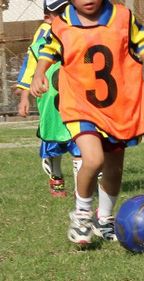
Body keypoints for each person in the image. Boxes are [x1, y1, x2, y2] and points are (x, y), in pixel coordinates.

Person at [30, 0, 144, 245]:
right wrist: (39, 72)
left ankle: (104, 219)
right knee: (94, 159)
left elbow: (142, 40)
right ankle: (82, 214)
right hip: (80, 105)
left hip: (118, 108)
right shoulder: (62, 22)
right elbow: (47, 50)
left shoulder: (122, 16)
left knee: (114, 168)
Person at [17, 0, 79, 197]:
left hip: (76, 103)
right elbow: (30, 68)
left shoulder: (79, 35)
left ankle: (81, 191)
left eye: (67, 10)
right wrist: (24, 97)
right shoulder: (40, 42)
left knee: (79, 144)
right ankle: (57, 179)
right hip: (50, 105)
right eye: (58, 12)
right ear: (48, 18)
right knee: (54, 145)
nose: (64, 16)